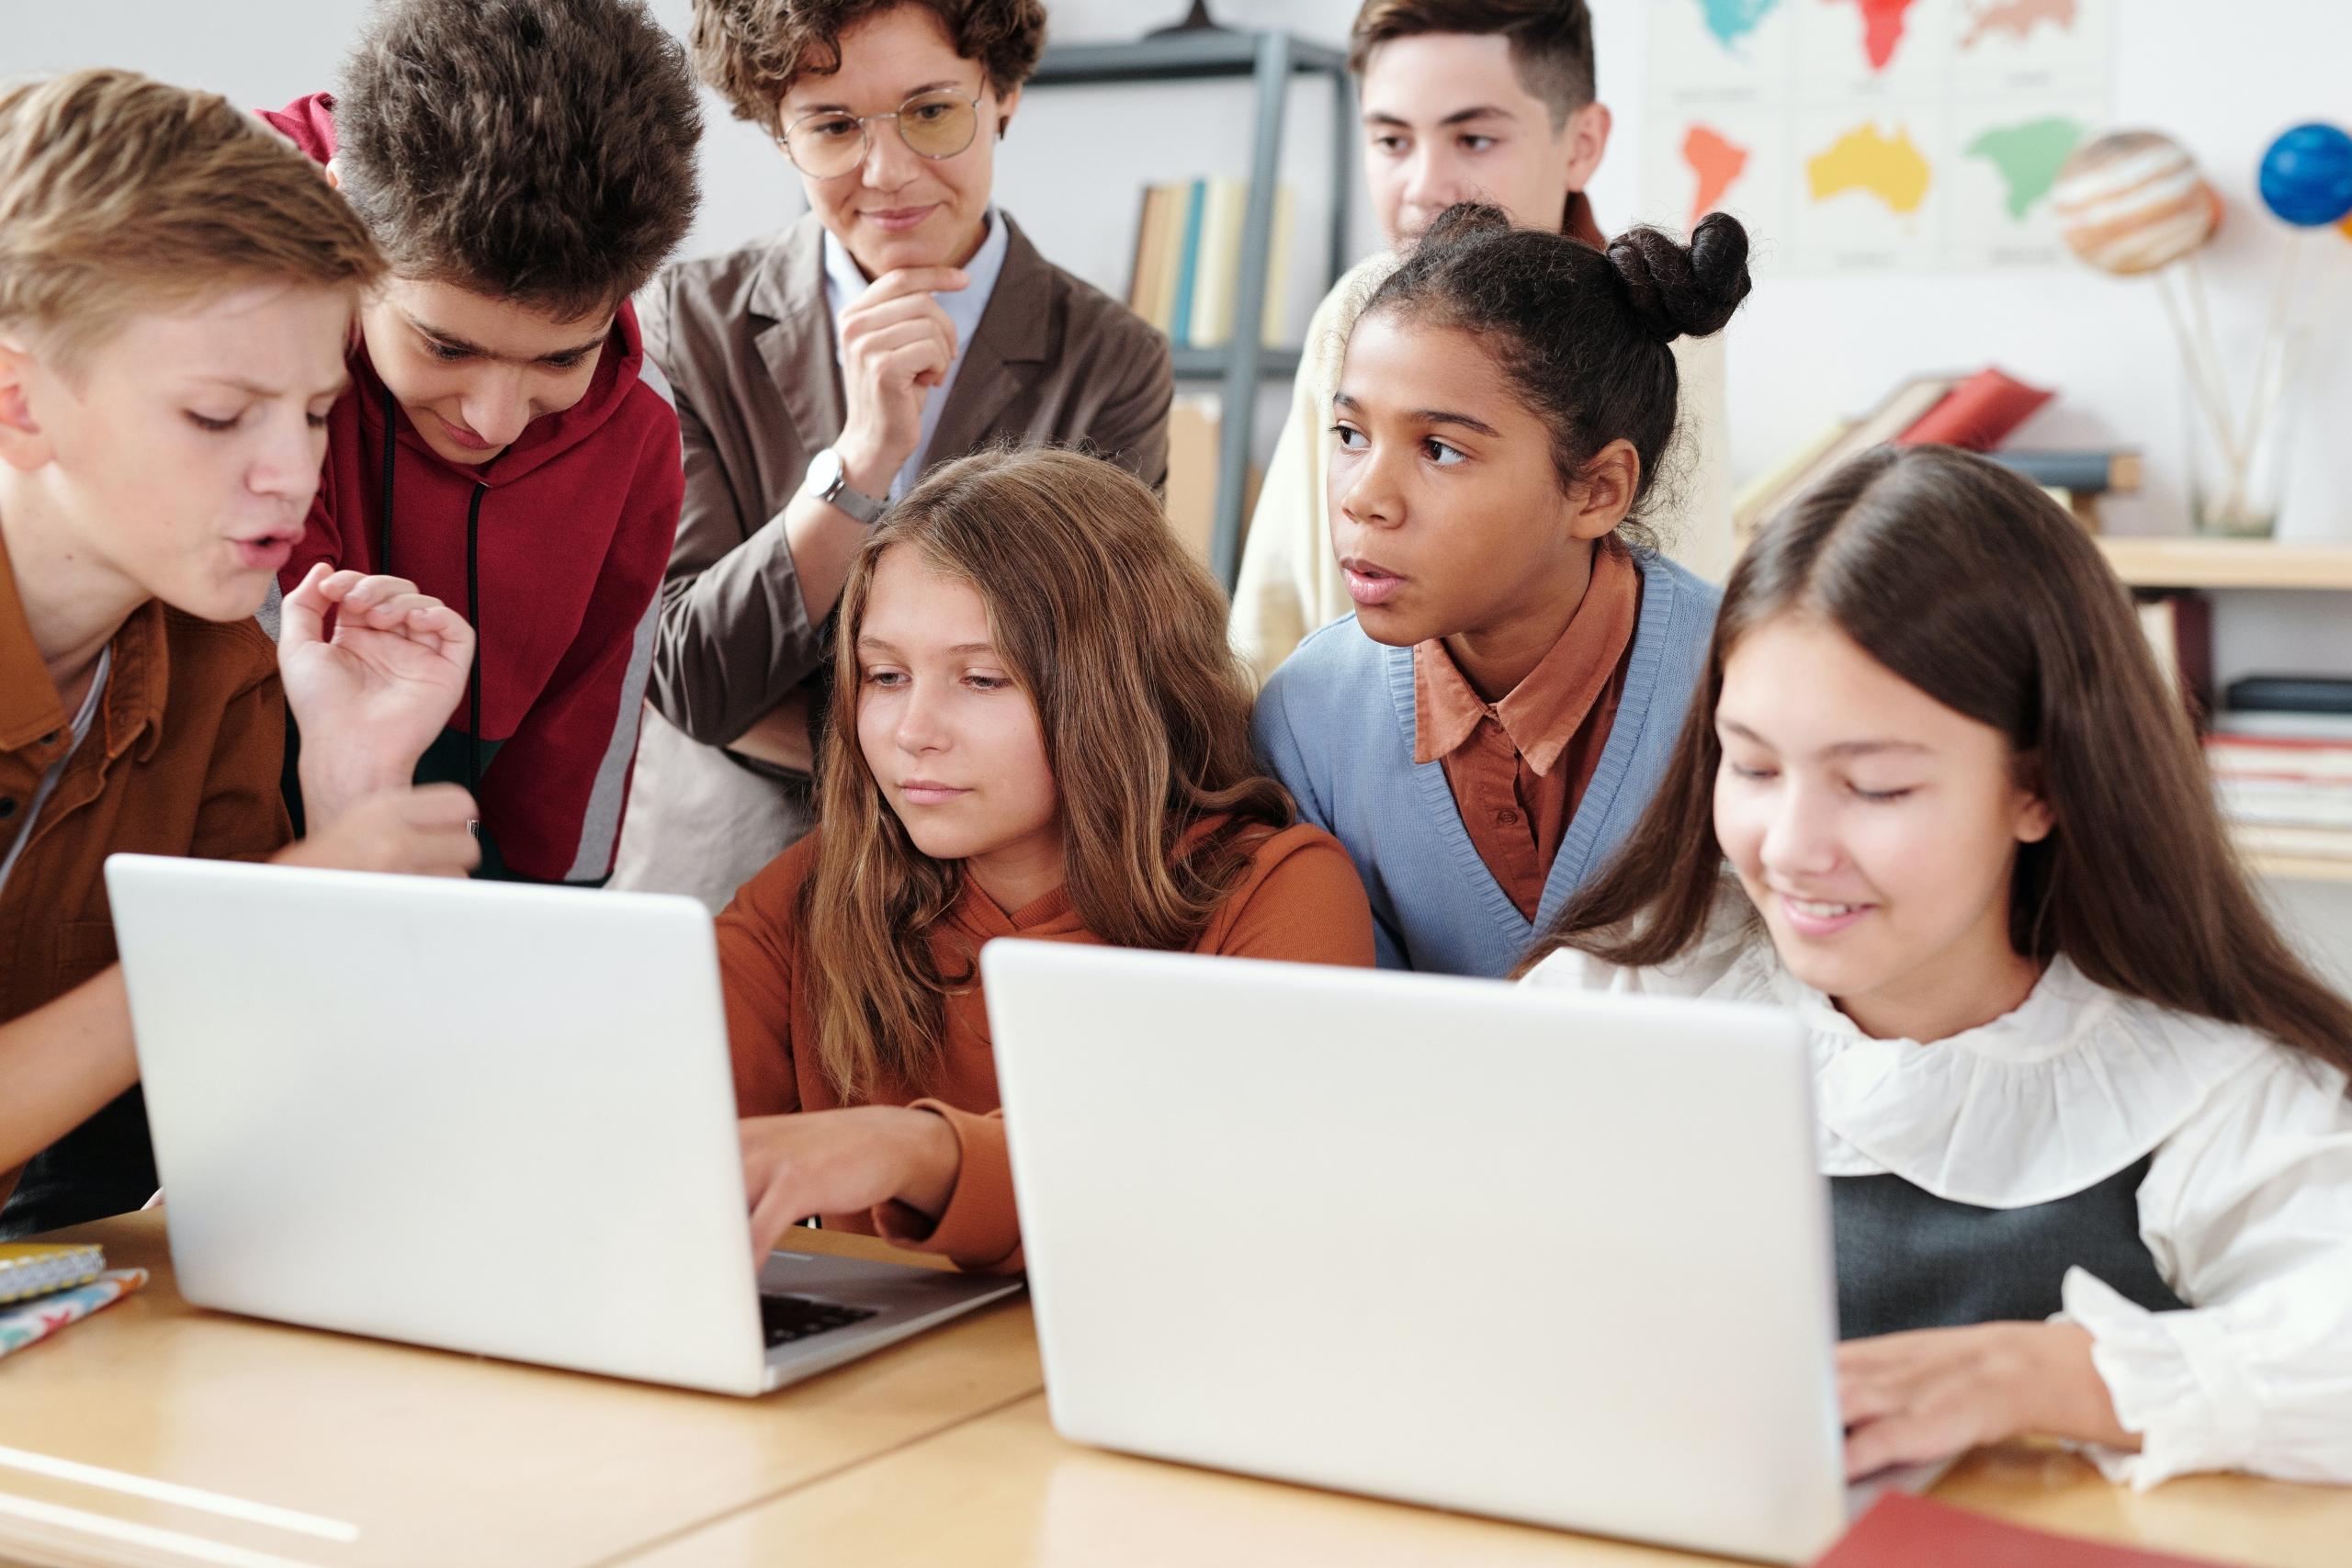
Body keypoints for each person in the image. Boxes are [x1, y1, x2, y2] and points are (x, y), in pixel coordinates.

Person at [1523, 445, 2352, 1487]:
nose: (1790, 847)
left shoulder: (2207, 1082)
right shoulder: (1635, 991)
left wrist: (2044, 1371)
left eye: (1874, 786)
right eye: (1754, 765)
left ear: (2038, 788)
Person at [0, 70, 481, 1237]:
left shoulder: (224, 663)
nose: (291, 473)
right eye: (220, 415)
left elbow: (285, 1124)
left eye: (315, 411)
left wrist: (349, 788)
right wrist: (242, 931)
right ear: (17, 402)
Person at [719, 448, 1373, 1269]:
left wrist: (918, 1152)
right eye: (884, 675)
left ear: (1116, 688)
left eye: (982, 680)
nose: (913, 729)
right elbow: (650, 1115)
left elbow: (1220, 1187)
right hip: (876, 1394)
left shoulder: (1278, 890)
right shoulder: (820, 888)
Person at [614, 0, 1173, 912]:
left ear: (1005, 95)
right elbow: (692, 680)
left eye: (932, 112)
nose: (887, 172)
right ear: (778, 133)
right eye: (832, 126)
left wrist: (785, 717)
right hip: (726, 873)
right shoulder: (683, 323)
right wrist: (859, 464)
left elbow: (1089, 693)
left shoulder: (1109, 361)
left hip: (993, 894)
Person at [260, 0, 703, 884]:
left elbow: (569, 775)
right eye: (447, 346)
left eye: (561, 357)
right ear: (348, 218)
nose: (493, 420)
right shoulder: (236, 330)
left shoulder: (640, 431)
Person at [1251, 204, 1740, 976]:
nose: (1364, 497)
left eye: (1440, 449)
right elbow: (1343, 1034)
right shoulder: (1306, 719)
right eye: (1350, 435)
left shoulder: (1743, 689)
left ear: (1598, 491)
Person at [1229, 0, 1735, 685]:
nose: (1424, 187)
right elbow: (1275, 610)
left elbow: (1683, 618)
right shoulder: (1359, 304)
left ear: (1582, 143)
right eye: (1391, 141)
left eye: (1473, 141)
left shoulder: (1659, 328)